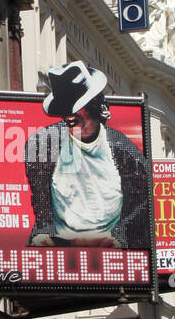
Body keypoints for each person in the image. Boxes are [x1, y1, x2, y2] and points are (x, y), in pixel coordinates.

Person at [24, 62, 151, 250]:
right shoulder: (43, 144)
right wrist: (44, 233)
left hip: (110, 250)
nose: (70, 117)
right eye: (65, 110)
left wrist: (120, 235)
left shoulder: (124, 152)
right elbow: (40, 200)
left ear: (96, 108)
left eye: (78, 108)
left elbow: (143, 203)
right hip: (58, 248)